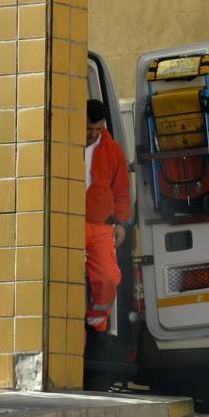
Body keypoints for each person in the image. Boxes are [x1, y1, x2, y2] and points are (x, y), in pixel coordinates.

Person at [85, 99, 131, 332]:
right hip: (66, 222)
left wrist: (122, 223)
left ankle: (97, 321)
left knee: (109, 278)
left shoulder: (112, 150)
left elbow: (121, 189)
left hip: (100, 225)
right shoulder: (62, 143)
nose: (93, 134)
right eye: (89, 129)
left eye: (98, 129)